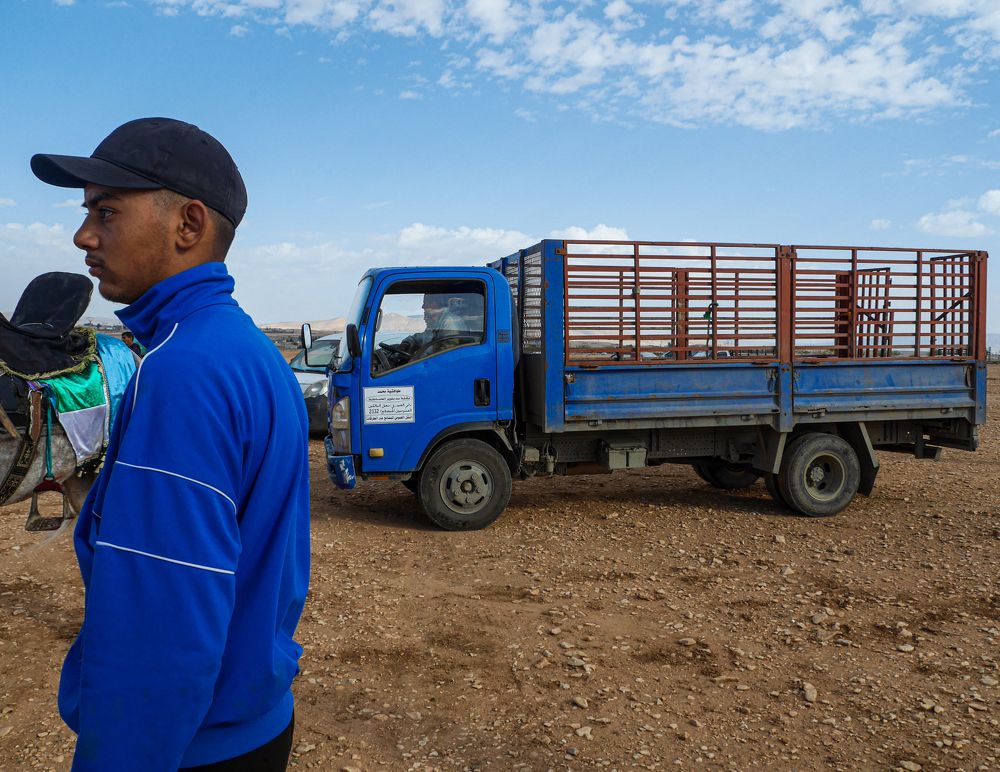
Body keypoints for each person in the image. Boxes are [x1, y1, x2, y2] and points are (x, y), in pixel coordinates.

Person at [30, 118, 310, 771]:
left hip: (192, 747)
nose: (83, 235)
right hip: (254, 722)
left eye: (106, 212)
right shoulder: (248, 351)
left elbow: (160, 635)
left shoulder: (182, 372)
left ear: (188, 225)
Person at [398, 292, 474, 358]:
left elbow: (447, 355)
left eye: (425, 303)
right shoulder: (436, 323)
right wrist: (407, 342)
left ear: (434, 303)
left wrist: (416, 359)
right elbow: (420, 338)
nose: (423, 306)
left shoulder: (449, 322)